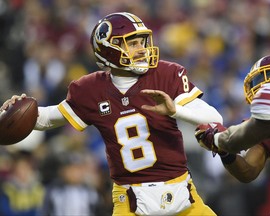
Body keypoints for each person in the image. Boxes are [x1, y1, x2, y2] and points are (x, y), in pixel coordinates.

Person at [0, 12, 223, 216]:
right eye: (132, 43)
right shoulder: (90, 90)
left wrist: (177, 110)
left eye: (142, 42)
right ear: (109, 49)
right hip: (130, 202)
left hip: (183, 194)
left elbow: (214, 118)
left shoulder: (166, 74)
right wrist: (17, 110)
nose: (142, 49)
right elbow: (48, 118)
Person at [195, 41, 270, 216]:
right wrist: (225, 152)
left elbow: (236, 139)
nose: (263, 86)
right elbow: (248, 172)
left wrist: (217, 139)